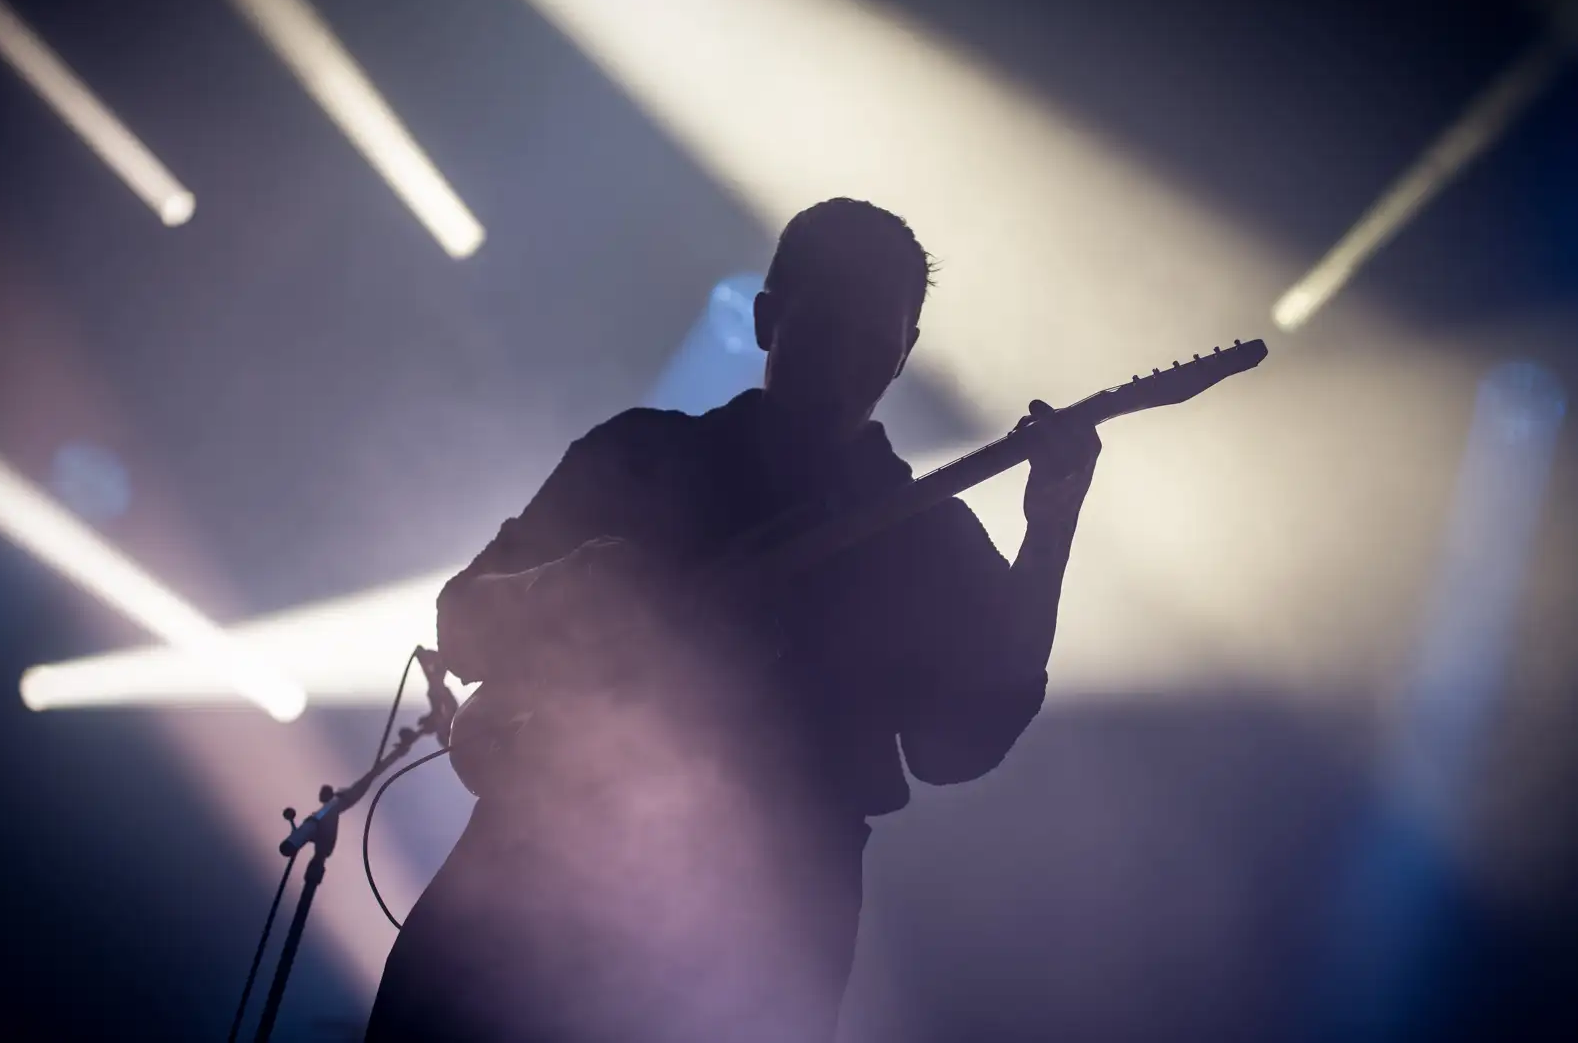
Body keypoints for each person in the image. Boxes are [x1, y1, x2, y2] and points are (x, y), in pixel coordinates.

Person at [364, 198, 1101, 1043]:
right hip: (510, 923)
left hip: (747, 955)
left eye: (875, 339)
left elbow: (960, 744)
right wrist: (577, 583)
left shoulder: (924, 537)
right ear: (766, 319)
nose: (848, 362)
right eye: (829, 326)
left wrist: (1050, 531)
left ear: (905, 356)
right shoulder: (642, 457)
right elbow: (465, 622)